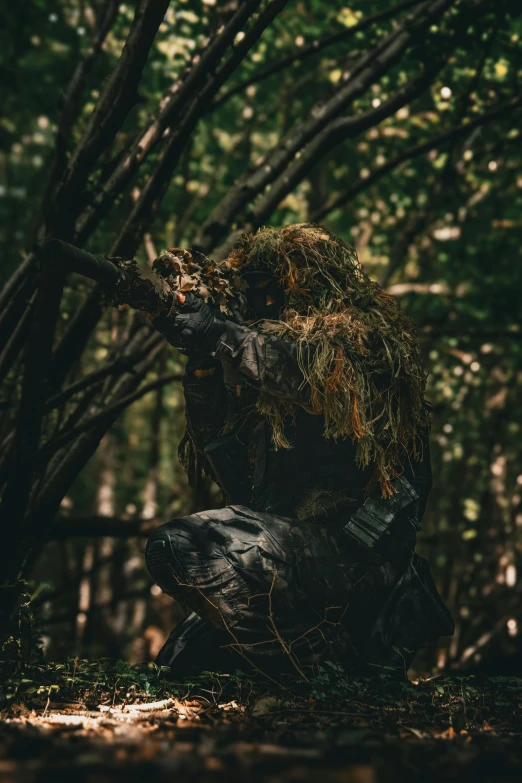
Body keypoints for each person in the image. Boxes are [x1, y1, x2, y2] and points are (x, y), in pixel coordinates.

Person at [145, 223, 453, 678]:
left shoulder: (364, 340)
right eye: (257, 296)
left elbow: (316, 380)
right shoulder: (265, 381)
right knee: (181, 663)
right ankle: (322, 655)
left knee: (183, 546)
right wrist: (205, 375)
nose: (266, 306)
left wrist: (219, 334)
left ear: (316, 285)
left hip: (359, 559)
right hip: (295, 557)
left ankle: (317, 667)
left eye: (276, 293)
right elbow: (236, 481)